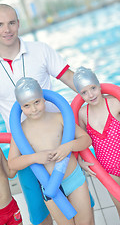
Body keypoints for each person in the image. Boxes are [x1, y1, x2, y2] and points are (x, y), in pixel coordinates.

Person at [0, 3, 77, 225]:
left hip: (57, 140)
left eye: (11, 23)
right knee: (40, 213)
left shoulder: (41, 50)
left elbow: (71, 79)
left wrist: (102, 94)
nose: (7, 29)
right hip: (23, 150)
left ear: (18, 23)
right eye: (0, 24)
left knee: (77, 204)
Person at [8, 77, 95, 225]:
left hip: (73, 178)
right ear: (20, 107)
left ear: (44, 98)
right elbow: (12, 163)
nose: (34, 109)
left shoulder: (59, 118)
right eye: (27, 106)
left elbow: (86, 140)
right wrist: (35, 157)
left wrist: (69, 146)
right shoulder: (20, 132)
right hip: (49, 185)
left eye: (37, 102)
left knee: (85, 222)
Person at [73, 66, 120, 217]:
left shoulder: (114, 103)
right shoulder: (82, 114)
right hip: (108, 170)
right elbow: (80, 141)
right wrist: (80, 160)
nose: (91, 94)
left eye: (93, 88)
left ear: (99, 86)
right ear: (80, 95)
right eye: (84, 92)